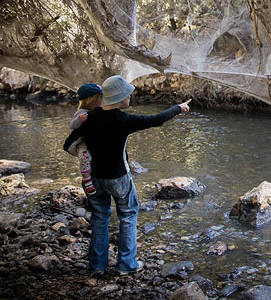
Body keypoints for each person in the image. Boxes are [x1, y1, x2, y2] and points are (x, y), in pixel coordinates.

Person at [63, 75, 191, 277]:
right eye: (128, 94)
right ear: (120, 98)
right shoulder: (124, 120)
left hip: (94, 178)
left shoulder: (89, 117)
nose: (131, 96)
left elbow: (68, 144)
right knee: (128, 216)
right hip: (119, 178)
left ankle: (97, 266)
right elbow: (156, 120)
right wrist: (179, 108)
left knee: (99, 218)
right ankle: (126, 265)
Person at [67, 83, 103, 196]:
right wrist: (80, 119)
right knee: (85, 156)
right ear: (92, 100)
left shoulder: (100, 110)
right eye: (100, 98)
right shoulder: (81, 112)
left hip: (96, 141)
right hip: (83, 142)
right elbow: (72, 125)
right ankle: (86, 179)